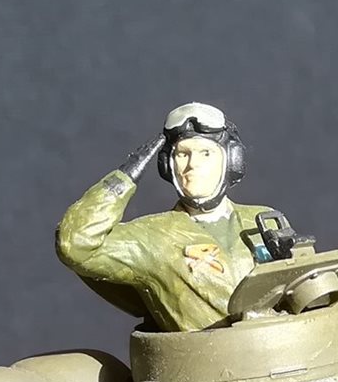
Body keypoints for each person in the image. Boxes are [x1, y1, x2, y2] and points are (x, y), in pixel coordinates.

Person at [55, 102, 281, 332]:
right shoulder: (151, 237)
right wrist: (126, 176)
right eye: (183, 154)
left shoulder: (261, 219)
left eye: (206, 153)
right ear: (167, 165)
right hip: (201, 353)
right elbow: (75, 243)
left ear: (232, 160)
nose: (192, 165)